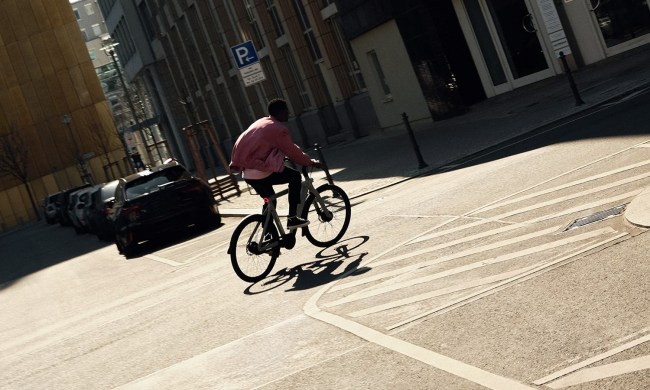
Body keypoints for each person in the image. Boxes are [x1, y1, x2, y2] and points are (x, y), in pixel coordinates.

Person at [230, 98, 321, 230]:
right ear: (281, 112)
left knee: (269, 201)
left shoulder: (261, 122)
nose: (288, 114)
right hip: (262, 173)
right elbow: (292, 151)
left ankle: (268, 236)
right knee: (295, 177)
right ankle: (292, 218)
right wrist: (310, 162)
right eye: (286, 111)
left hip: (248, 175)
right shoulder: (278, 128)